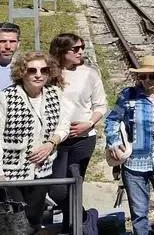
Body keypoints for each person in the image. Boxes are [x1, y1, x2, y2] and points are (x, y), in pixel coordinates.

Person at [105, 55, 154, 235]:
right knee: (139, 212)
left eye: (152, 76)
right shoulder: (128, 95)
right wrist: (114, 143)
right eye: (142, 76)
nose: (146, 81)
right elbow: (111, 120)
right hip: (134, 163)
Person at [0, 51, 70, 229]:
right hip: (11, 173)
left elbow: (64, 125)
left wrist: (51, 143)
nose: (38, 75)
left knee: (34, 220)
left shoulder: (55, 94)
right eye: (32, 70)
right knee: (14, 223)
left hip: (42, 171)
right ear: (22, 72)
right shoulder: (6, 97)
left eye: (43, 70)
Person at [48, 33, 107, 230]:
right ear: (61, 51)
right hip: (55, 139)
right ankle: (84, 217)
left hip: (82, 138)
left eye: (82, 47)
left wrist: (89, 123)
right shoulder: (47, 72)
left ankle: (72, 227)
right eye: (75, 49)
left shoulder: (89, 73)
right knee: (57, 190)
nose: (81, 51)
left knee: (75, 186)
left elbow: (101, 105)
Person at [0, 22, 19, 90]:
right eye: (2, 41)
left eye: (12, 41)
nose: (8, 46)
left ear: (18, 44)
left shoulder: (25, 69)